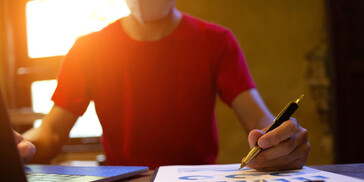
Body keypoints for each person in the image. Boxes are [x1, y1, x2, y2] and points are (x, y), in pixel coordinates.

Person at [15, 0, 310, 171]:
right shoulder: (88, 50)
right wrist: (19, 147)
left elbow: (259, 119)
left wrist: (281, 139)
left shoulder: (216, 42)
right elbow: (51, 133)